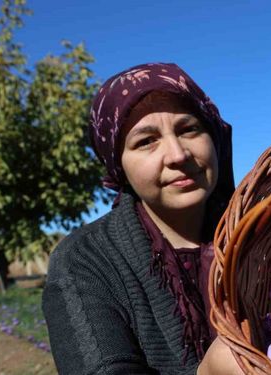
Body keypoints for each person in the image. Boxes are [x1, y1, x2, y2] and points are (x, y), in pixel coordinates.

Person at [42, 63, 243, 374]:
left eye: (189, 129)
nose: (178, 154)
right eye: (146, 141)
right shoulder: (84, 260)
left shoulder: (258, 235)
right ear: (119, 166)